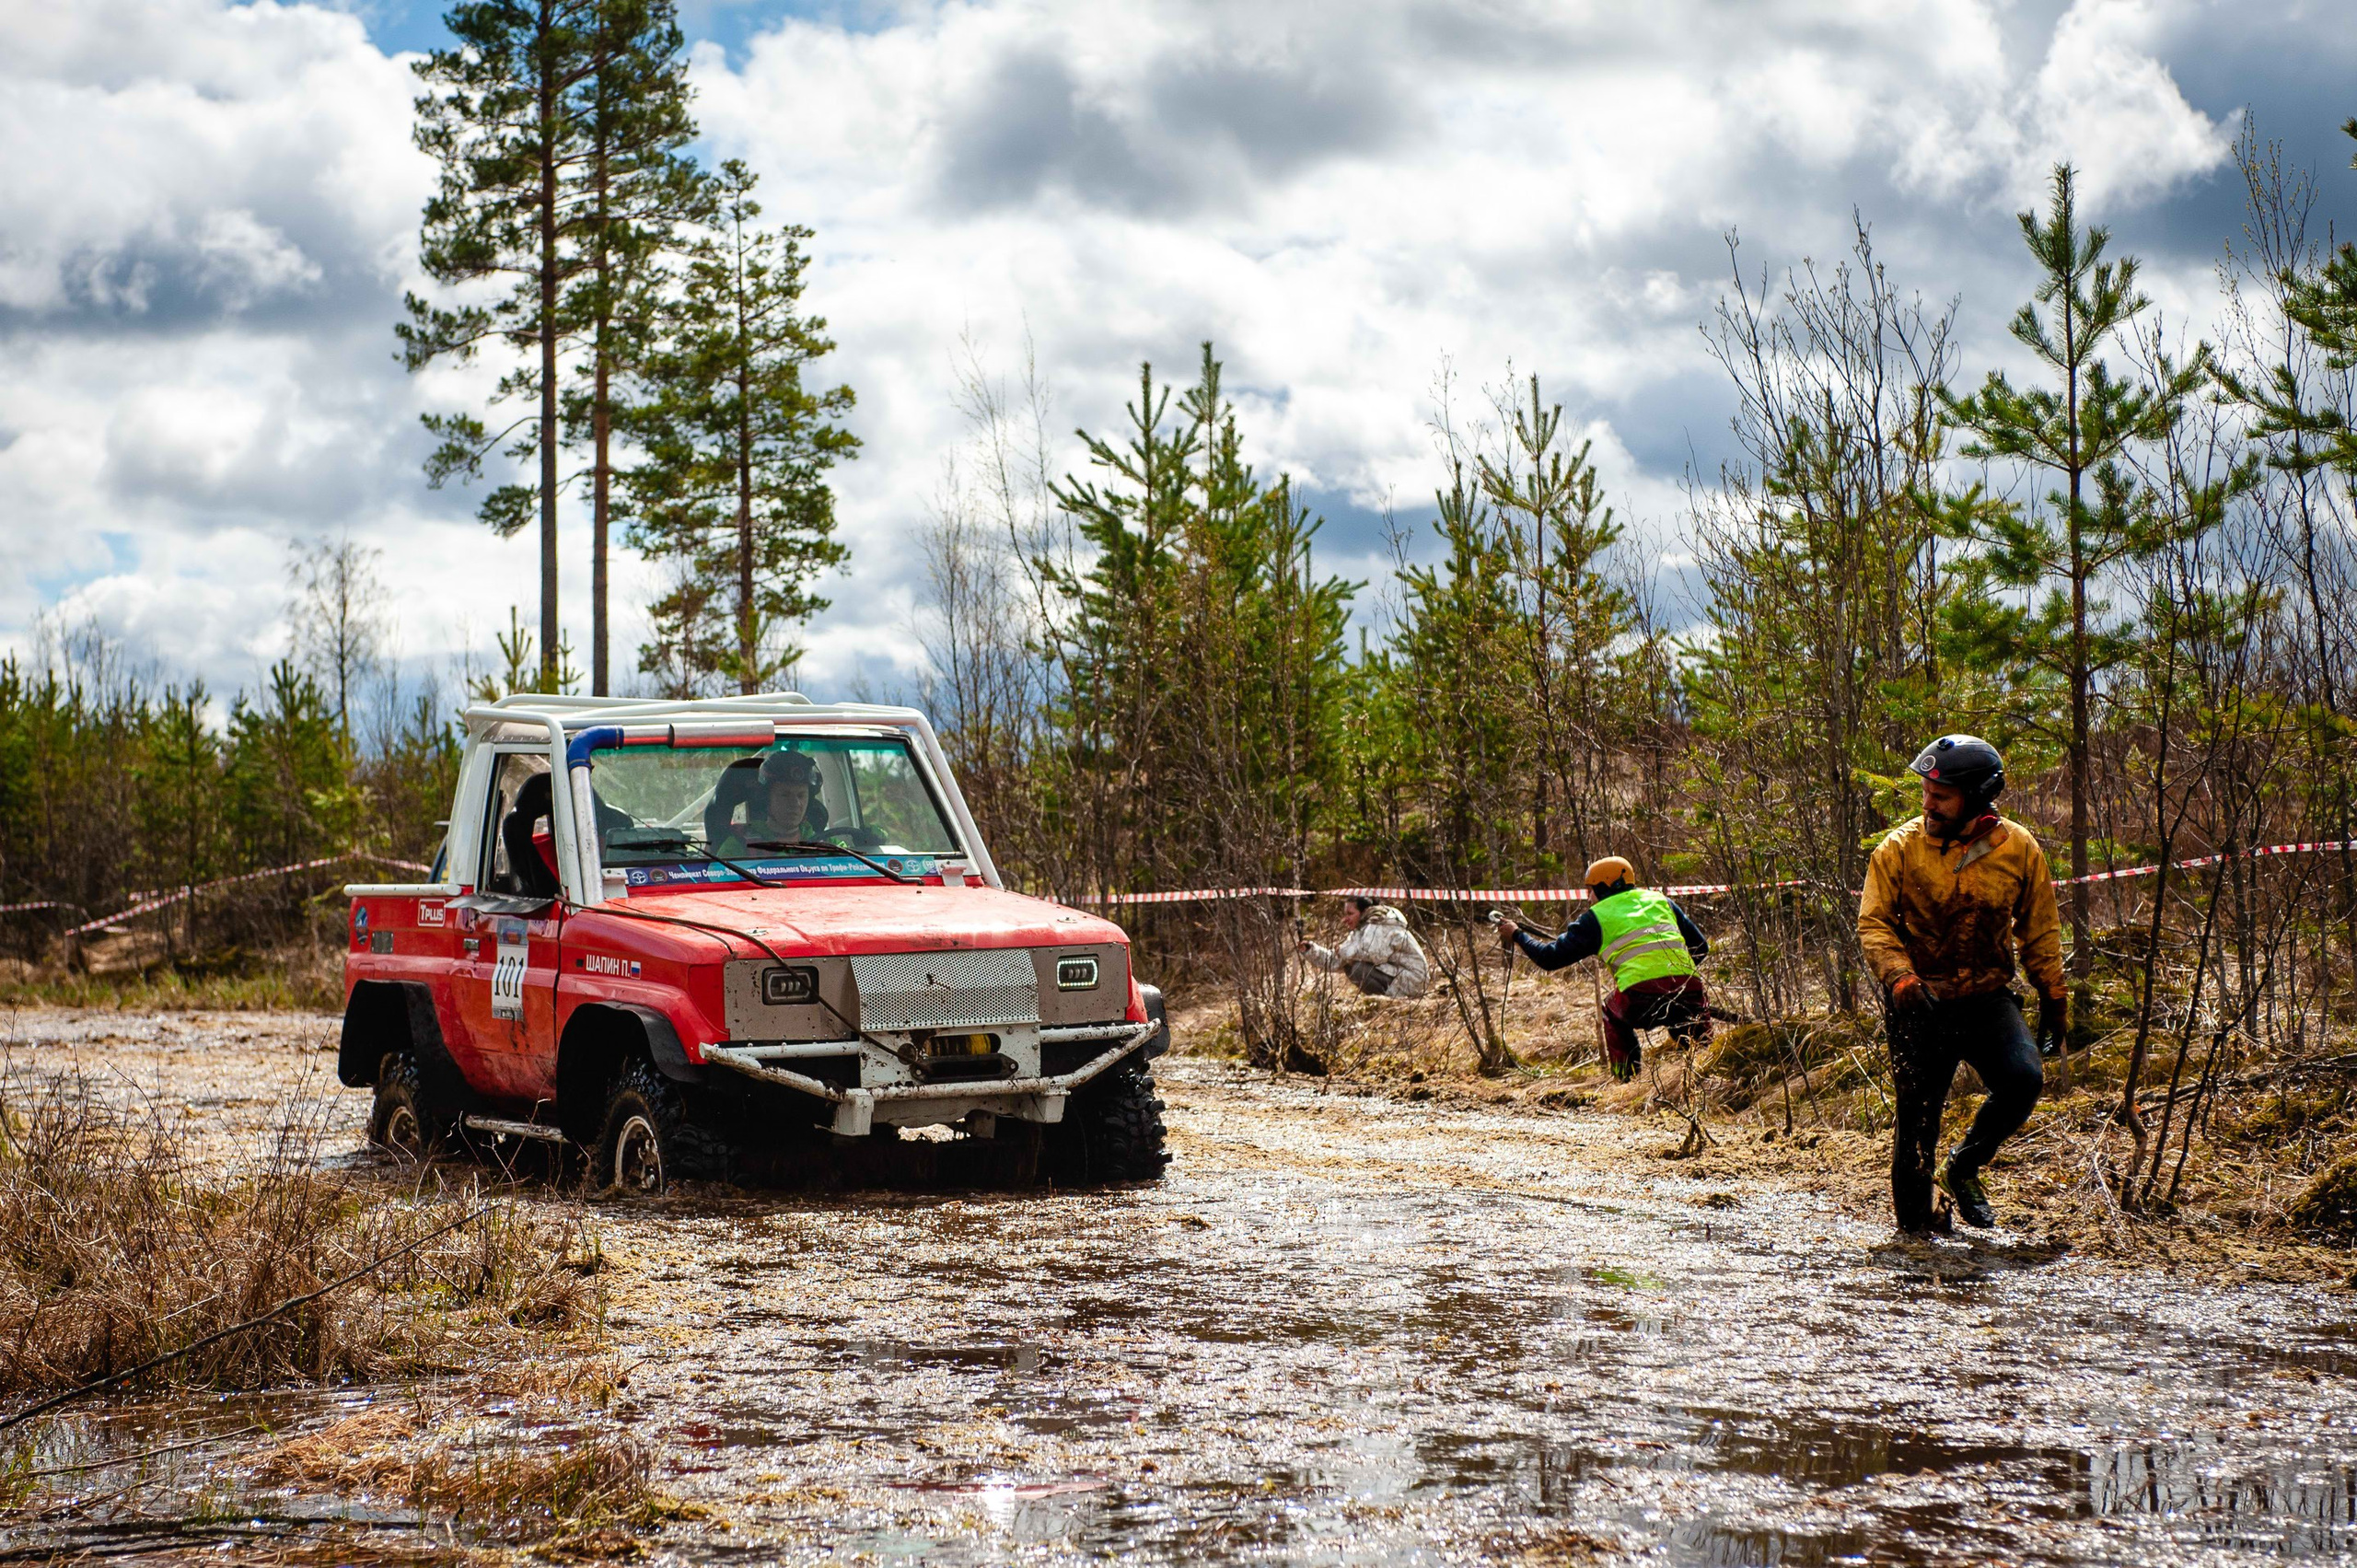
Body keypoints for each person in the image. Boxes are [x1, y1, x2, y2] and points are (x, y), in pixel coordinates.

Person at [1857, 733, 2065, 1235]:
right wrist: (1900, 977)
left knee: (2023, 1080)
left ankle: (1964, 1166)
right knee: (1917, 1131)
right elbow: (1874, 923)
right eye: (1926, 791)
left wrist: (2053, 995)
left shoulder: (2019, 849)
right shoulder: (1898, 851)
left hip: (1988, 999)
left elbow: (2039, 928)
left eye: (1941, 794)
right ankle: (1914, 1241)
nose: (1928, 803)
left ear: (1977, 797)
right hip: (1919, 1003)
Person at [1495, 857, 1710, 1082]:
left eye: (1590, 891)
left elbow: (1549, 958)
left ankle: (1626, 1080)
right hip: (1688, 987)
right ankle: (1709, 1072)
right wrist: (1674, 979)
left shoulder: (1595, 918)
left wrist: (1517, 935)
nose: (1589, 898)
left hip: (1639, 997)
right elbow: (1701, 947)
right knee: (1693, 1031)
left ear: (1604, 887)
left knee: (1612, 1013)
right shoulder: (1661, 901)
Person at [1298, 897, 1432, 999]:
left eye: (1350, 913)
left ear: (1364, 912)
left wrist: (1345, 952)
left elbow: (1376, 955)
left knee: (1358, 969)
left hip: (1414, 980)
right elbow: (1336, 961)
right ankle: (1386, 1000)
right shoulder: (1361, 930)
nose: (1345, 919)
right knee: (1350, 966)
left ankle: (1389, 1001)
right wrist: (1311, 950)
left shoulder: (1380, 924)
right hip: (1399, 975)